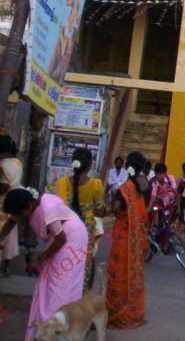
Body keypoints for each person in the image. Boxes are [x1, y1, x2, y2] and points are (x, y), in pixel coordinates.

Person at [0, 188, 88, 341]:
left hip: (71, 238)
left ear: (29, 206)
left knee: (60, 285)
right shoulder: (28, 203)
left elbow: (61, 239)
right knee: (46, 282)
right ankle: (41, 332)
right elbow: (12, 221)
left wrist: (39, 259)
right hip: (59, 236)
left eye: (21, 214)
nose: (21, 218)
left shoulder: (48, 210)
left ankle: (57, 333)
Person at [107, 152, 150, 329]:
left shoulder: (125, 188)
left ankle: (118, 315)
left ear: (127, 166)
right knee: (134, 273)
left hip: (124, 238)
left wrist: (116, 208)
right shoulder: (145, 185)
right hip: (138, 238)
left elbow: (116, 207)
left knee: (119, 272)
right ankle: (133, 313)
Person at [54, 147, 106, 292]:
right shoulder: (96, 184)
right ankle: (80, 297)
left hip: (66, 230)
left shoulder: (62, 182)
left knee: (65, 263)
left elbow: (59, 208)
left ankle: (62, 295)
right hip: (86, 233)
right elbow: (100, 212)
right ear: (89, 164)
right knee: (84, 266)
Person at [0, 135, 22, 277]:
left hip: (3, 206)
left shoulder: (6, 165)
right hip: (11, 206)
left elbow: (3, 187)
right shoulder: (17, 162)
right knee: (7, 238)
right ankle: (6, 267)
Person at [149, 163, 178, 251]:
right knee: (153, 218)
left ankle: (164, 244)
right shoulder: (153, 182)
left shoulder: (170, 178)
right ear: (155, 173)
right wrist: (149, 208)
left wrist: (165, 190)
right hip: (157, 203)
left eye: (163, 173)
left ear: (165, 173)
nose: (161, 176)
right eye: (159, 174)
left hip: (168, 203)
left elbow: (174, 189)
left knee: (166, 224)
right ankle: (152, 230)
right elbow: (153, 196)